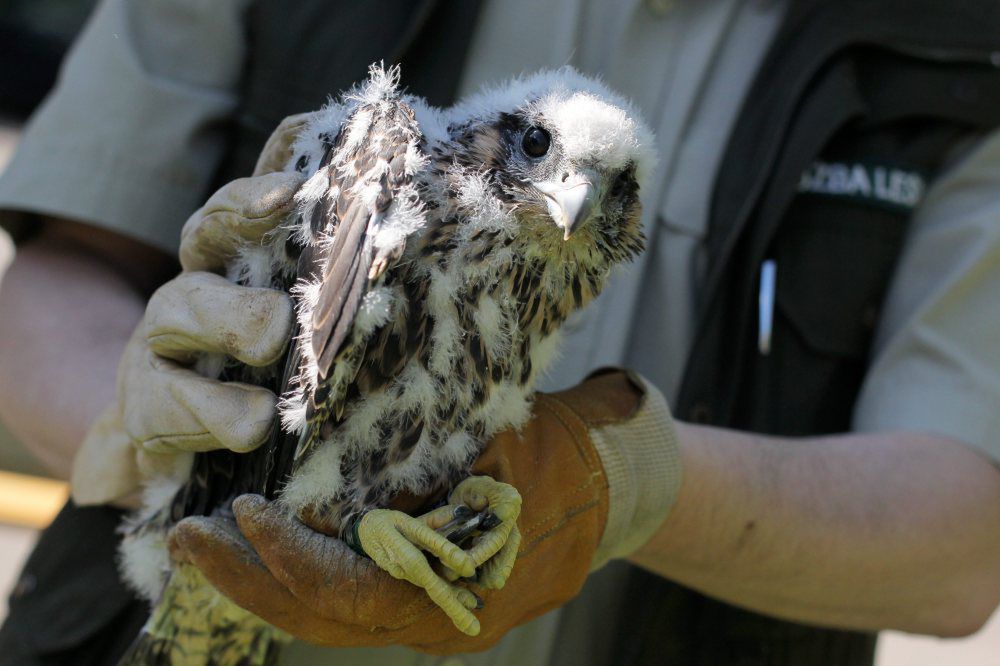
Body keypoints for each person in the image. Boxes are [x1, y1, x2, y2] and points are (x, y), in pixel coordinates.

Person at [0, 0, 998, 664]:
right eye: (541, 157)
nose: (565, 199)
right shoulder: (387, 152)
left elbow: (962, 550)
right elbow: (58, 276)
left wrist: (628, 484)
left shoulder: (955, 40)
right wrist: (157, 423)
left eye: (599, 198)